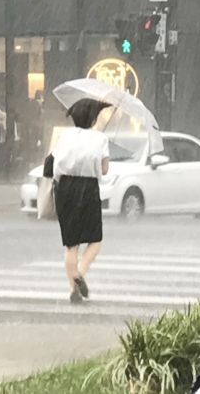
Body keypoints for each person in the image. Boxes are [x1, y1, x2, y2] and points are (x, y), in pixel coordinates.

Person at [49, 98, 111, 304]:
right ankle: (79, 275)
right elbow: (104, 170)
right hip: (88, 189)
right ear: (93, 118)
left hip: (65, 188)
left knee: (71, 244)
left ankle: (72, 288)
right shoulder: (100, 139)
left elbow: (55, 165)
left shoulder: (65, 137)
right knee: (95, 240)